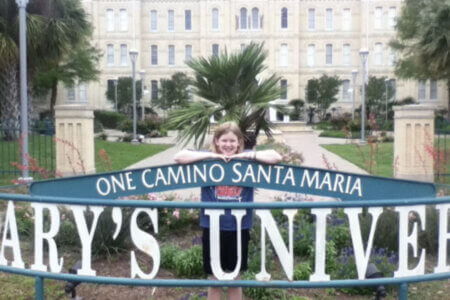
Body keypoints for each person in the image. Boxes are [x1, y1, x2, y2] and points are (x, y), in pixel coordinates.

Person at [174, 121, 281, 300]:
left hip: (239, 228)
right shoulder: (208, 158)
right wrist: (213, 157)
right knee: (214, 280)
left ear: (239, 142)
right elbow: (179, 157)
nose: (228, 145)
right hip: (212, 227)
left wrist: (246, 157)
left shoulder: (247, 157)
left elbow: (276, 157)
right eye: (224, 141)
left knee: (235, 279)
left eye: (233, 141)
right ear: (216, 141)